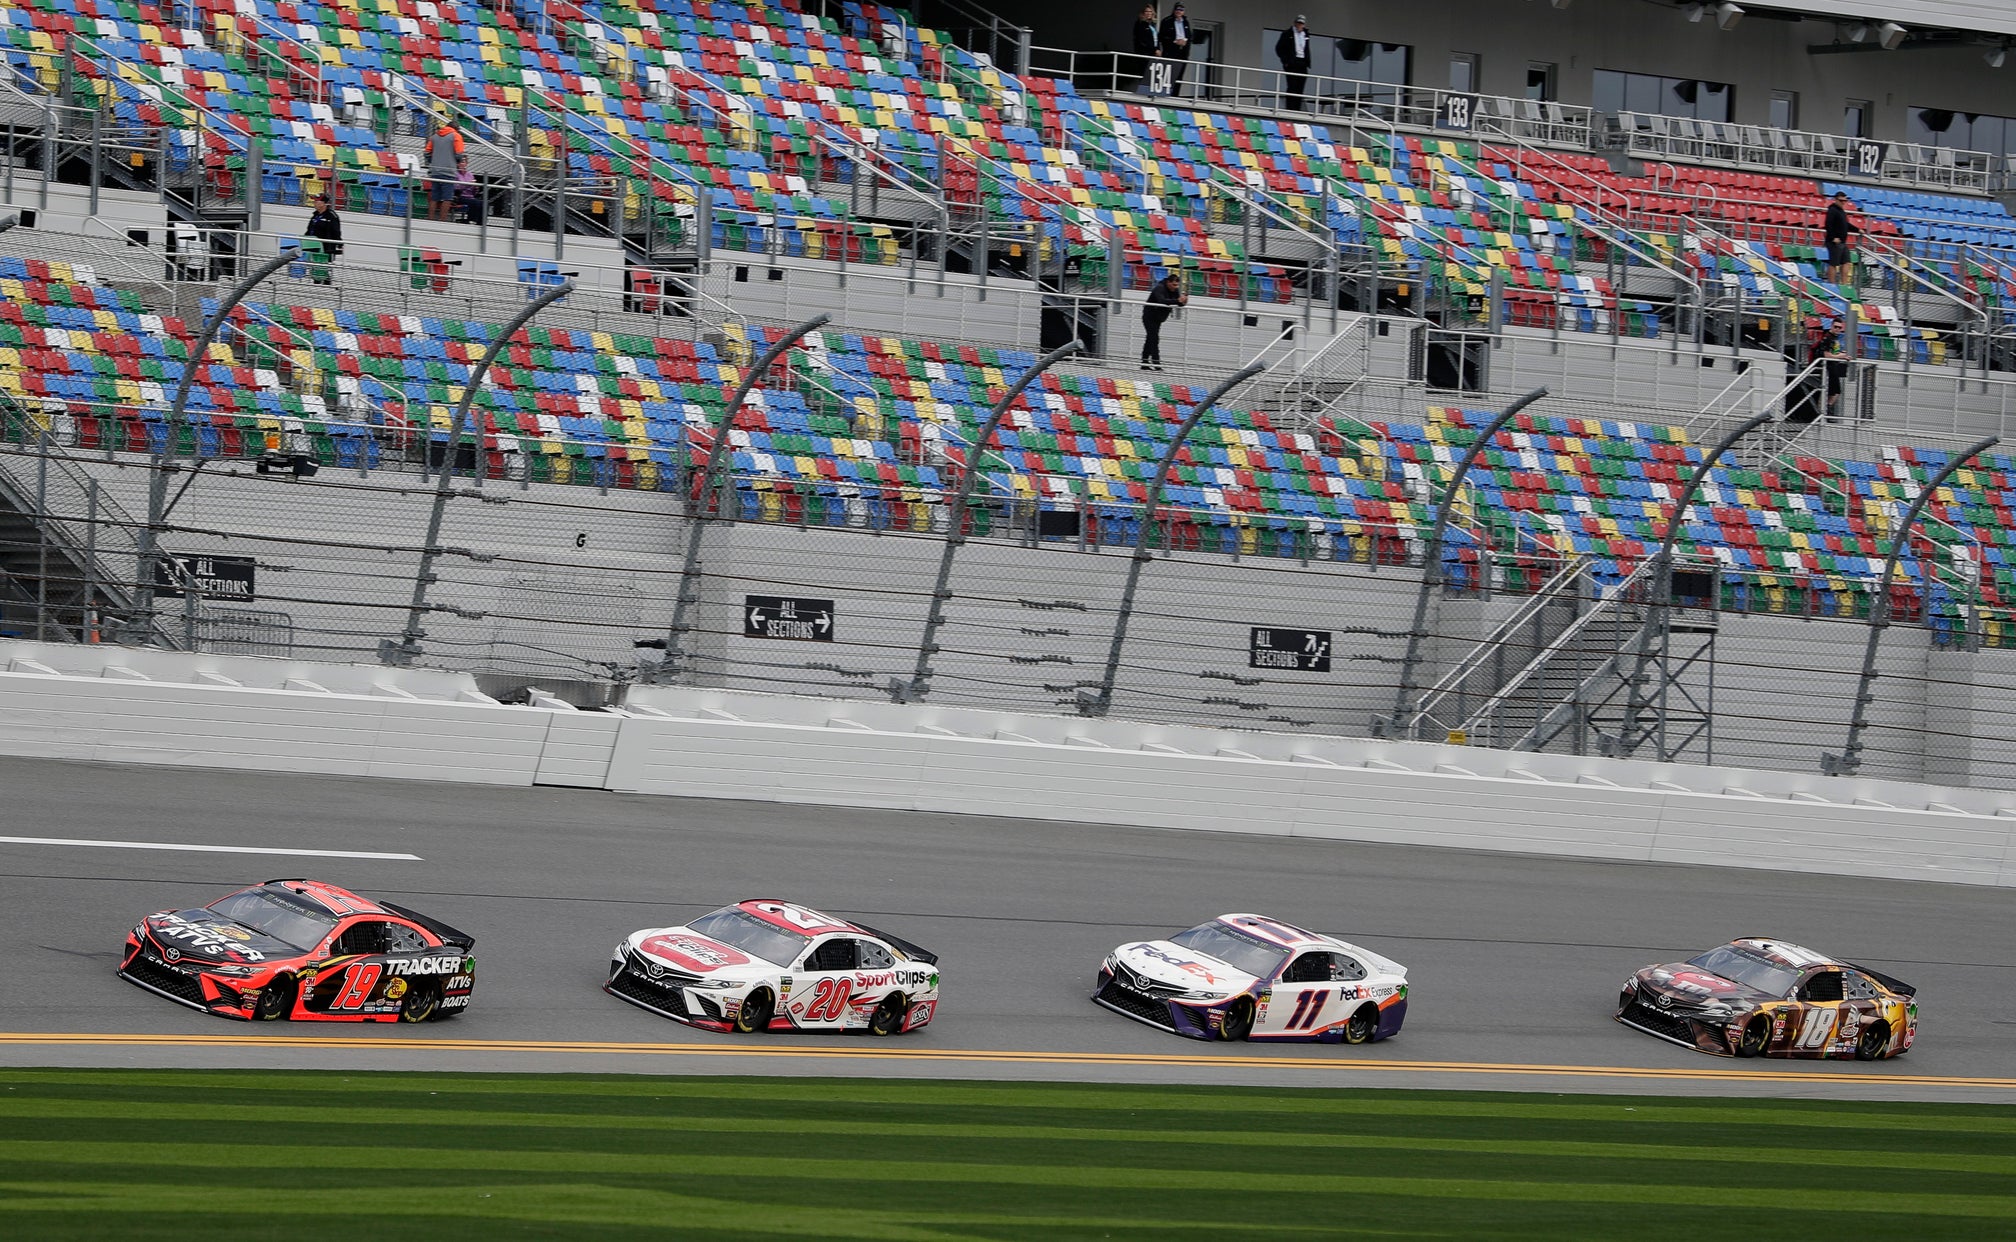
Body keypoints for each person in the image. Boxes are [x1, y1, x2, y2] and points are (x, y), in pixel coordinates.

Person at [1140, 271, 1186, 370]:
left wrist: (1184, 301)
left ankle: (1144, 362)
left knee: (1150, 339)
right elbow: (1162, 301)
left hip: (1158, 318)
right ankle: (1156, 363)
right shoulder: (1159, 288)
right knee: (1154, 339)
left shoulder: (1174, 290)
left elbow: (1179, 302)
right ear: (1168, 282)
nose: (1175, 287)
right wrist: (1178, 301)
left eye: (1177, 285)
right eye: (1174, 284)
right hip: (1149, 317)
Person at [424, 114, 466, 222]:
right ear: (456, 129)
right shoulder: (456, 136)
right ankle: (443, 220)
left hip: (435, 170)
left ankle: (431, 218)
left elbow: (427, 153)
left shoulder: (434, 136)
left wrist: (432, 162)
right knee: (447, 197)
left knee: (434, 196)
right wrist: (455, 163)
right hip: (449, 171)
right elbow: (459, 154)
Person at [303, 193, 342, 285]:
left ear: (323, 203)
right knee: (314, 262)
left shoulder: (331, 216)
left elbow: (336, 231)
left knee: (322, 262)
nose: (315, 203)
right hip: (313, 244)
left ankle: (325, 280)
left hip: (325, 245)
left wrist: (339, 244)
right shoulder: (315, 215)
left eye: (317, 201)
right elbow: (309, 229)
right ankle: (316, 279)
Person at [1276, 16, 1312, 112]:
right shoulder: (1287, 34)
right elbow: (1279, 48)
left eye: (1302, 24)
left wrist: (1307, 61)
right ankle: (1290, 108)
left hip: (1302, 62)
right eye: (1299, 23)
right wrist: (1286, 61)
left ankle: (1297, 109)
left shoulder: (1306, 34)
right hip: (1292, 62)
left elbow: (1306, 48)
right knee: (1292, 85)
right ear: (1295, 23)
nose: (1300, 25)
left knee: (1300, 86)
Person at [1824, 190, 1856, 285]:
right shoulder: (1832, 210)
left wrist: (1858, 229)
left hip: (1842, 241)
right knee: (1833, 264)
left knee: (1846, 262)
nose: (1843, 202)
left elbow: (1845, 224)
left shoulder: (1841, 211)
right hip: (1834, 242)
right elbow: (1828, 224)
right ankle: (1832, 284)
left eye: (1844, 201)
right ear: (1836, 200)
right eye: (1841, 200)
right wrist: (1833, 237)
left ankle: (1844, 284)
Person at [1159, 3, 1192, 95]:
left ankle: (1176, 95)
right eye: (1177, 9)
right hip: (1171, 51)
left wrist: (1186, 43)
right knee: (1169, 74)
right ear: (1174, 10)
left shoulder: (1185, 22)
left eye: (1181, 10)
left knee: (1179, 75)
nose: (1179, 11)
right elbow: (1161, 37)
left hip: (1183, 52)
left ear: (1183, 12)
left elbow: (1189, 36)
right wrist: (1174, 41)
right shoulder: (1167, 21)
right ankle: (1165, 94)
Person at [1130, 4, 1160, 94]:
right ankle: (1143, 93)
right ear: (1143, 13)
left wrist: (1158, 49)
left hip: (1153, 55)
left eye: (1150, 11)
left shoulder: (1152, 25)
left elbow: (1155, 39)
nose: (1148, 13)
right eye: (1146, 11)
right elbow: (1142, 40)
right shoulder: (1140, 24)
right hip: (1144, 54)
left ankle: (1150, 93)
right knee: (1144, 74)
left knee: (1152, 75)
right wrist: (1154, 49)